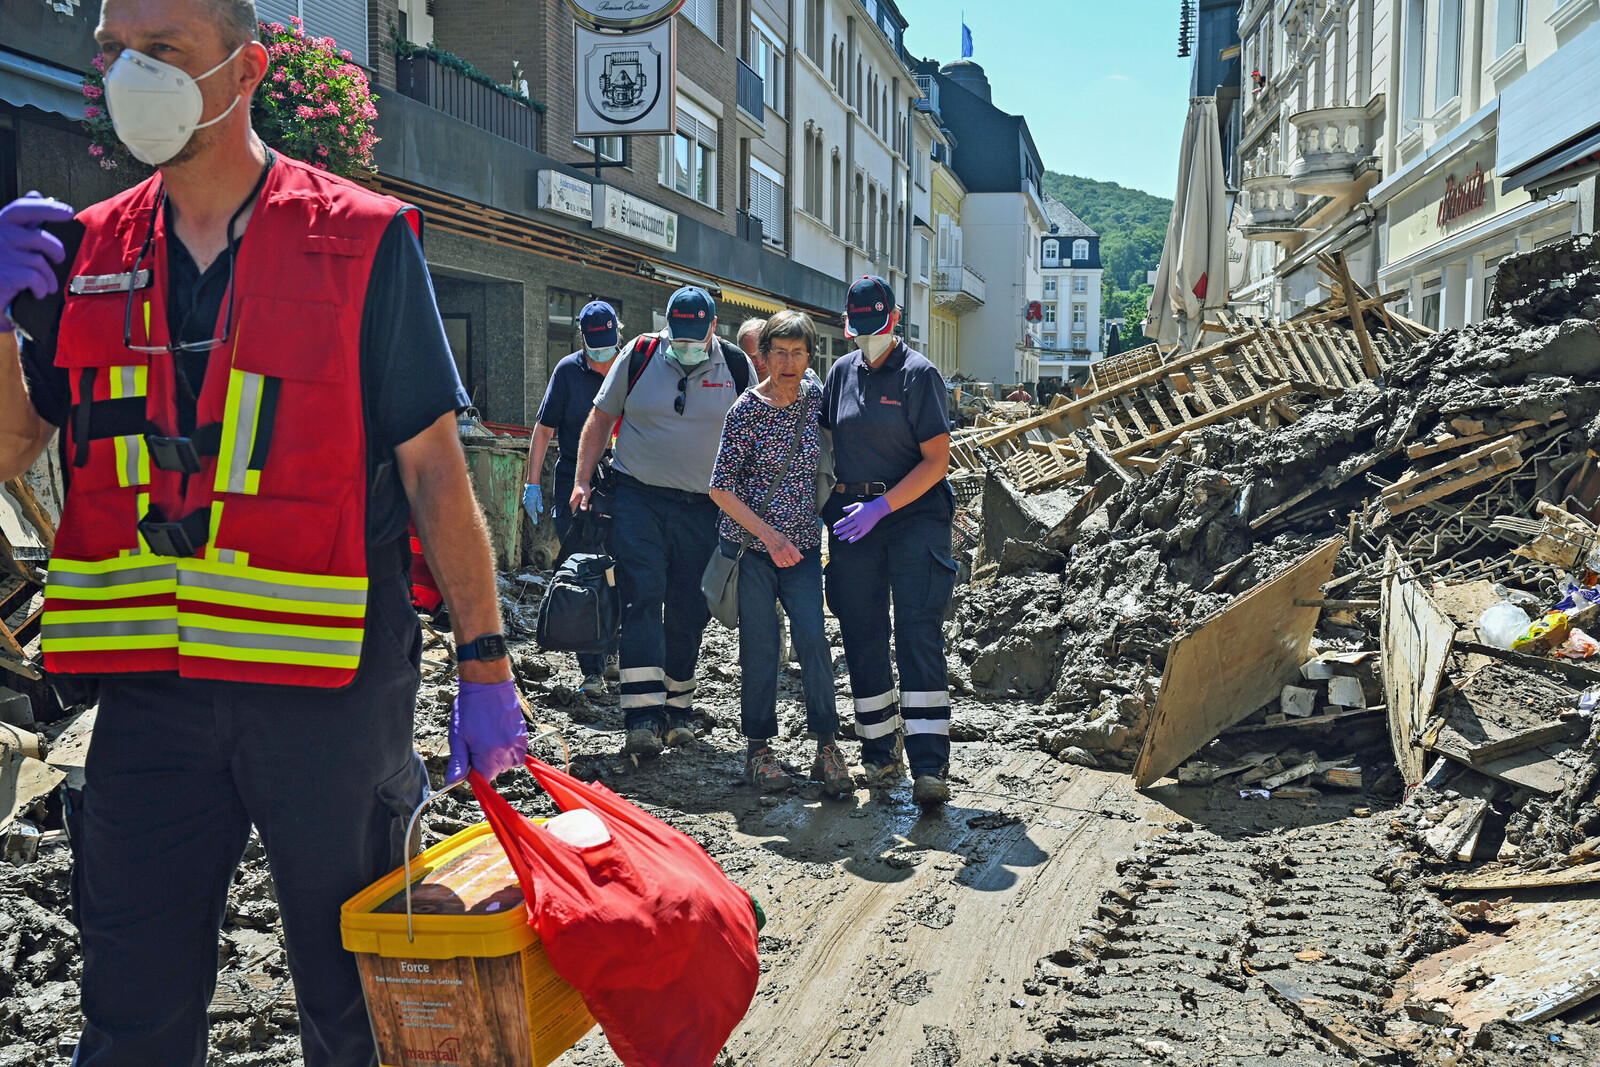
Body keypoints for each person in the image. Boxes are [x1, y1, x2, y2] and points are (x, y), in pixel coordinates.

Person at [0, 0, 526, 1061]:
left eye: (161, 52)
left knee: (357, 1006)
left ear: (246, 68)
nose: (124, 75)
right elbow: (11, 450)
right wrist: (0, 321)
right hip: (149, 700)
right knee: (131, 1012)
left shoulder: (362, 239)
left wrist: (483, 660)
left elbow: (432, 468)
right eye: (112, 52)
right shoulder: (85, 251)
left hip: (326, 695)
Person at [571, 287, 755, 757]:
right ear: (666, 326)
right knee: (643, 596)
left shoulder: (735, 367)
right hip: (639, 499)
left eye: (697, 336)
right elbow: (599, 419)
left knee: (690, 609)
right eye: (680, 334)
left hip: (705, 507)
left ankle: (678, 712)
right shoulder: (640, 354)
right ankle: (641, 717)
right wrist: (582, 481)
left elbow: (754, 434)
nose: (687, 344)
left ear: (714, 328)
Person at [821, 276, 958, 811]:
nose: (867, 338)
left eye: (875, 328)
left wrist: (884, 507)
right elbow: (827, 440)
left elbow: (936, 462)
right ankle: (879, 750)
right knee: (861, 629)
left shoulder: (919, 376)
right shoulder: (840, 373)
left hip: (913, 516)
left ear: (893, 320)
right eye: (859, 329)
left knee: (917, 632)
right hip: (855, 519)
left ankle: (929, 765)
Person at [708, 311, 848, 796]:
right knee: (761, 647)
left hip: (805, 549)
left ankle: (826, 745)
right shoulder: (746, 410)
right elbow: (721, 490)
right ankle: (758, 749)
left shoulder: (815, 399)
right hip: (754, 550)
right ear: (763, 356)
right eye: (779, 352)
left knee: (813, 640)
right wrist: (771, 537)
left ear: (810, 357)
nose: (788, 362)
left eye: (798, 352)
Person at [525, 300, 621, 694]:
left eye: (608, 345)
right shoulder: (567, 372)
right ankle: (592, 670)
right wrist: (532, 484)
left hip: (619, 485)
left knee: (620, 570)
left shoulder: (630, 365)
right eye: (595, 346)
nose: (602, 355)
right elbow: (544, 430)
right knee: (583, 571)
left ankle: (613, 649)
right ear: (583, 339)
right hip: (572, 488)